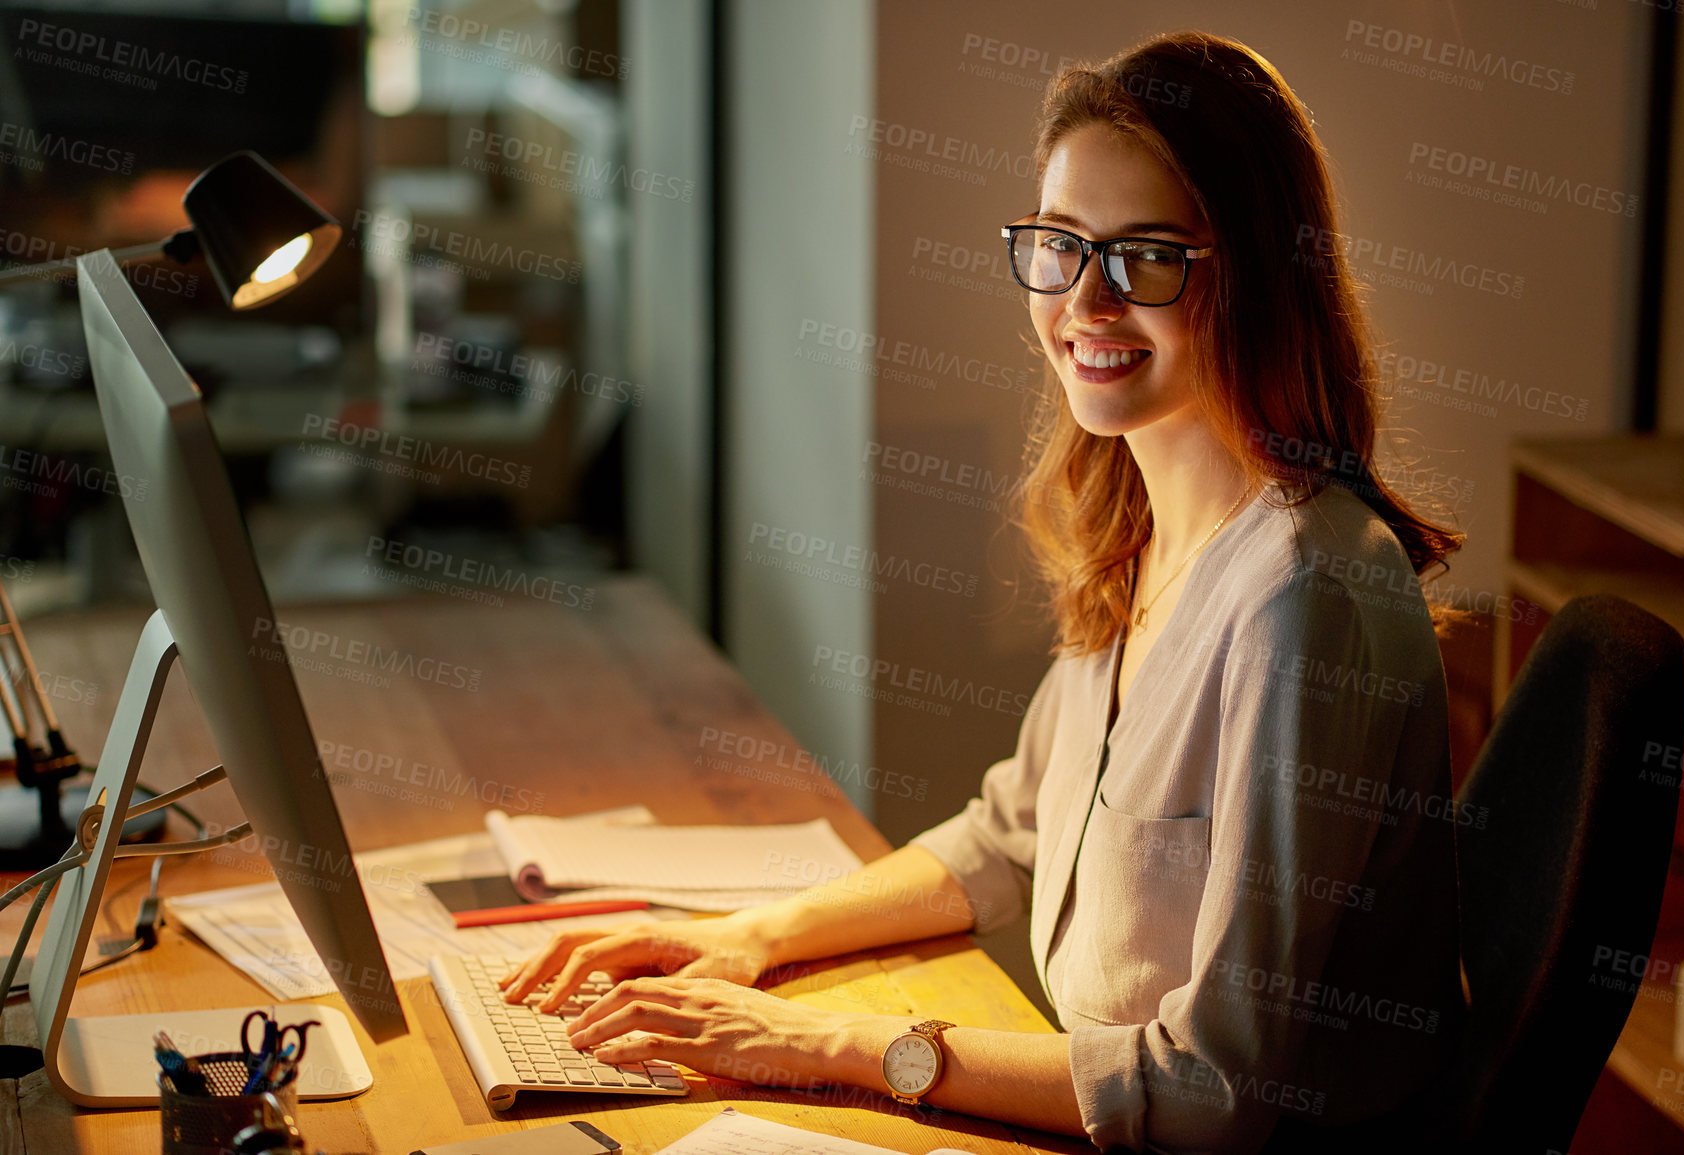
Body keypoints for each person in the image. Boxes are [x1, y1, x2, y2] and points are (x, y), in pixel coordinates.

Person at [501, 29, 1467, 1153]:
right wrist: (750, 940)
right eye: (1061, 245)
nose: (1088, 302)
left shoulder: (1304, 600)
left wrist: (826, 1046)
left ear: (1258, 273)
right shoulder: (1144, 523)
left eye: (1149, 257)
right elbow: (1008, 835)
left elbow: (1219, 1090)